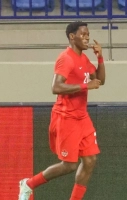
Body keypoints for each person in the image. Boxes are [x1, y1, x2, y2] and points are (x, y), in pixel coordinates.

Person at [18, 21, 106, 200]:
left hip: (82, 117)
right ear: (72, 37)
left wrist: (100, 58)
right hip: (66, 117)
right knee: (69, 165)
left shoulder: (84, 59)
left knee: (90, 160)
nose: (87, 37)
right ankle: (28, 184)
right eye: (83, 34)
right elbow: (56, 87)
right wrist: (84, 86)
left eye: (88, 34)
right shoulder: (66, 58)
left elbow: (100, 81)